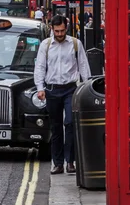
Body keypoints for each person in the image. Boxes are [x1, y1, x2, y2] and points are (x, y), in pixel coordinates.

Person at [34, 15, 91, 175]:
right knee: (56, 127)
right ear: (52, 29)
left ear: (67, 28)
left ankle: (70, 162)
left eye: (62, 30)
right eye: (57, 31)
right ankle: (57, 163)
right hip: (52, 89)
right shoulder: (45, 46)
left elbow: (83, 66)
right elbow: (40, 67)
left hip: (70, 89)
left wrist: (86, 87)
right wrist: (40, 87)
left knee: (70, 124)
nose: (60, 34)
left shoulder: (75, 43)